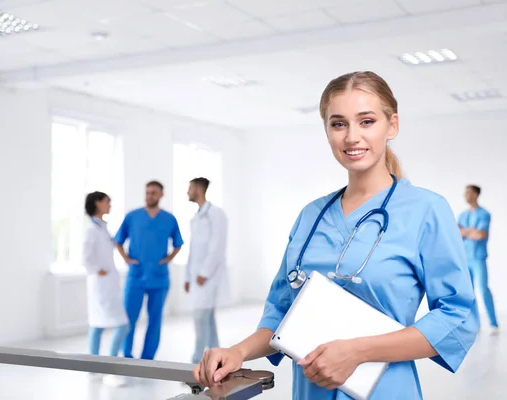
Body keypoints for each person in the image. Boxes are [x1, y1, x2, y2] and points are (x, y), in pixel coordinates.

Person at [194, 71, 479, 399]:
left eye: (367, 121)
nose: (352, 137)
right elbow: (282, 312)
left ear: (393, 126)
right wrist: (238, 351)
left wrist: (359, 351)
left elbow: (456, 316)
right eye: (338, 123)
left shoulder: (426, 210)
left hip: (384, 390)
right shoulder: (311, 216)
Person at [114, 181, 184, 360]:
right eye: (147, 192)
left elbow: (178, 244)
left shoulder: (169, 219)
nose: (149, 196)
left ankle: (147, 358)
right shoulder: (132, 216)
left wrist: (168, 259)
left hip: (159, 278)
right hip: (136, 276)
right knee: (128, 319)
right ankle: (127, 356)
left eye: (153, 193)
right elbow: (118, 240)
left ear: (161, 195)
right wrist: (127, 259)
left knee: (155, 320)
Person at [82, 191, 129, 387]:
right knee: (122, 325)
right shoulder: (91, 229)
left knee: (97, 325)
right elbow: (85, 257)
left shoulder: (101, 227)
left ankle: (93, 368)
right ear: (97, 203)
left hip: (105, 284)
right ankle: (110, 368)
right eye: (107, 201)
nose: (110, 204)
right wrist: (97, 270)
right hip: (100, 284)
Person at [184, 177, 229, 364]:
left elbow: (217, 246)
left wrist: (204, 273)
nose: (187, 192)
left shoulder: (216, 214)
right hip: (197, 277)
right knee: (208, 321)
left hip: (208, 277)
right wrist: (188, 276)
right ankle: (217, 359)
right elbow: (193, 249)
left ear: (198, 189)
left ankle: (196, 363)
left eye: (189, 188)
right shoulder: (196, 217)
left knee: (200, 320)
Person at [458, 185, 499, 334]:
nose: (466, 195)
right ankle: (475, 323)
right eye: (465, 192)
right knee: (468, 292)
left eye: (468, 193)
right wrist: (471, 231)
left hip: (478, 258)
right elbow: (456, 233)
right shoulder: (463, 215)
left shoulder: (484, 214)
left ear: (476, 194)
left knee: (483, 289)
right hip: (465, 258)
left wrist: (465, 231)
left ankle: (493, 323)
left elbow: (481, 235)